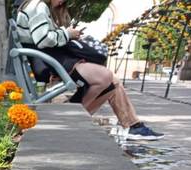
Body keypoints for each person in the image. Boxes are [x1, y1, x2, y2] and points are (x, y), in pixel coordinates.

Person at [17, 0, 164, 140]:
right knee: (105, 77)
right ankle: (71, 118)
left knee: (114, 82)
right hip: (51, 62)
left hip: (54, 60)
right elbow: (43, 39)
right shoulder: (38, 6)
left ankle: (133, 126)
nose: (62, 2)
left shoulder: (38, 6)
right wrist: (67, 34)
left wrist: (66, 33)